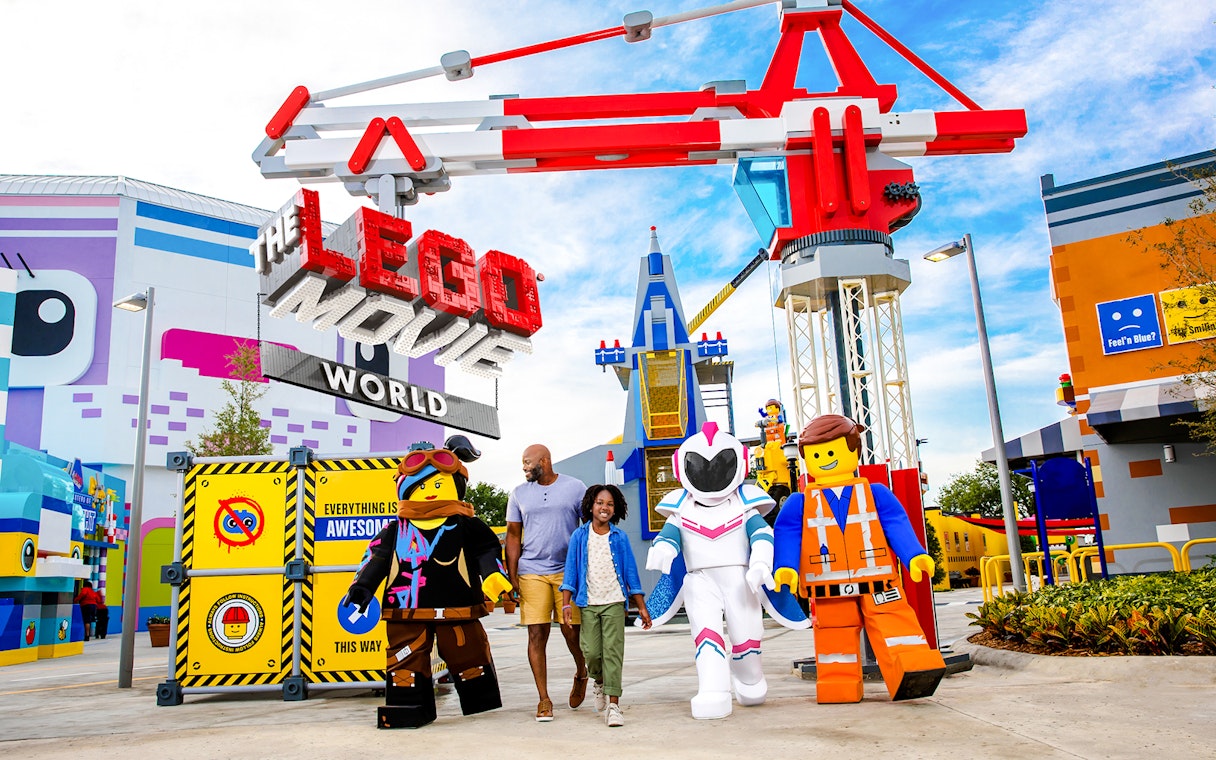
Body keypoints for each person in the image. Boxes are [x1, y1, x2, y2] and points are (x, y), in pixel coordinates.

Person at [773, 414, 946, 704]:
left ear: (853, 449)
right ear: (806, 457)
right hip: (828, 584)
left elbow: (896, 523)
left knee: (896, 624)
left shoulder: (875, 493)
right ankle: (839, 683)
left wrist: (914, 555)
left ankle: (913, 668)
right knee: (834, 636)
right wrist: (786, 567)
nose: (826, 458)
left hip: (878, 578)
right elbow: (788, 533)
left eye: (832, 451)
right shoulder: (800, 501)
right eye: (817, 453)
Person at [345, 437, 513, 729]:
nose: (431, 492)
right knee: (404, 661)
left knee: (469, 654)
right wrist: (362, 588)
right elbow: (376, 560)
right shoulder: (395, 529)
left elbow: (487, 549)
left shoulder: (467, 525)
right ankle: (409, 707)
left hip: (457, 607)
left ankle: (479, 702)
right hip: (405, 610)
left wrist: (494, 575)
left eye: (438, 485)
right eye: (422, 487)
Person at [505, 443, 588, 722]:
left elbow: (588, 529)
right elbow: (513, 536)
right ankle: (544, 699)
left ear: (545, 460)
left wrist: (587, 569)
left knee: (571, 632)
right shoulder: (518, 493)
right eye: (523, 462)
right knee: (536, 634)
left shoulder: (575, 487)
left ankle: (581, 671)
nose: (524, 466)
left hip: (567, 571)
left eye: (528, 461)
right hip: (532, 570)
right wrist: (512, 573)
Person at [560, 484, 652, 728]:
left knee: (613, 653)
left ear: (616, 509)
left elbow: (631, 573)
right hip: (588, 603)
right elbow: (570, 572)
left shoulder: (619, 537)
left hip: (614, 602)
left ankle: (614, 705)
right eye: (600, 502)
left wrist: (641, 606)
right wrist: (565, 604)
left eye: (610, 504)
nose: (605, 507)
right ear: (591, 506)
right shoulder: (580, 536)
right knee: (590, 651)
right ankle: (598, 681)